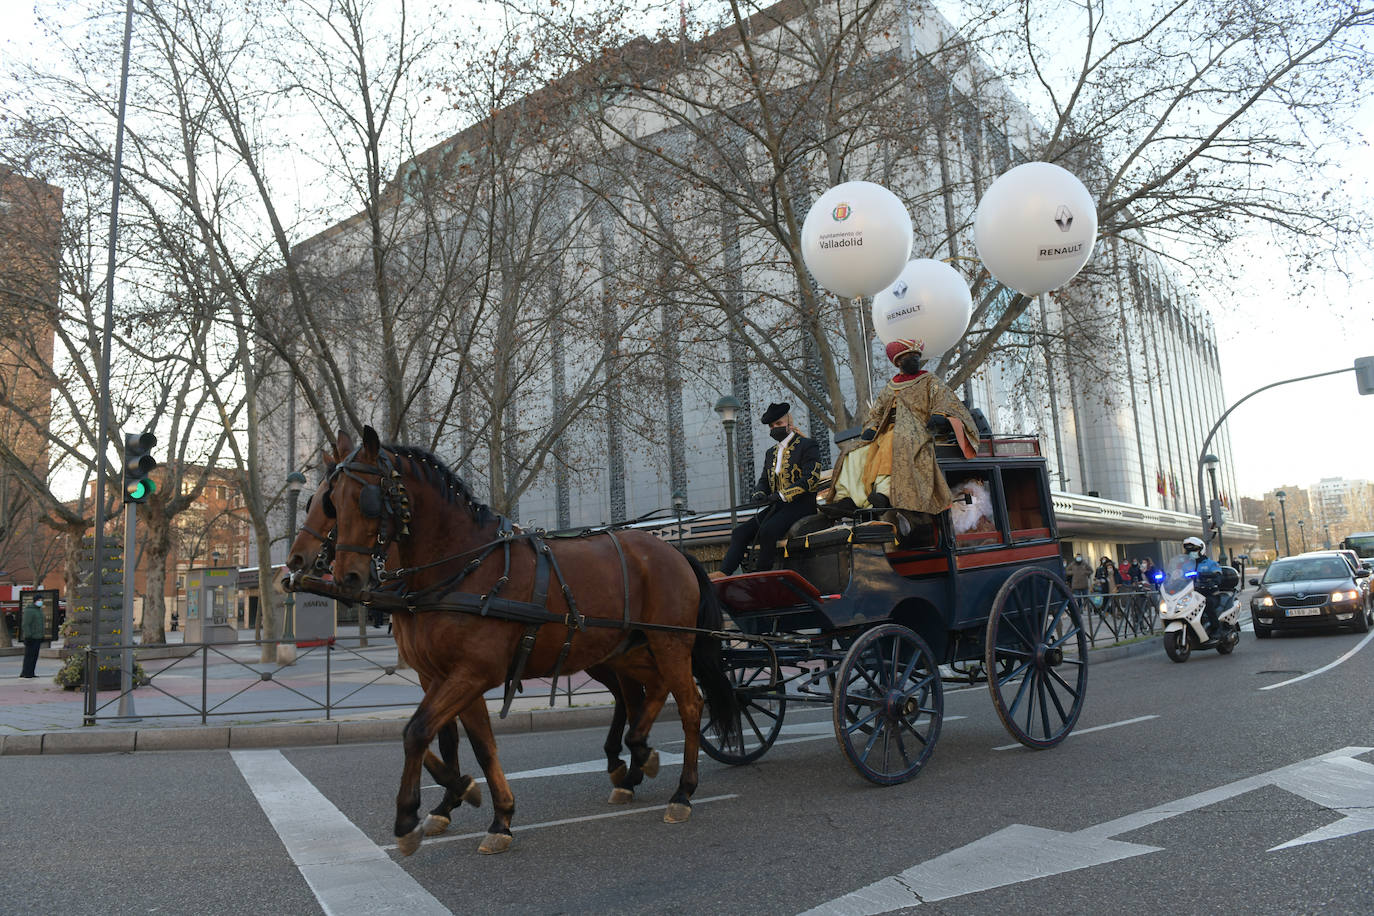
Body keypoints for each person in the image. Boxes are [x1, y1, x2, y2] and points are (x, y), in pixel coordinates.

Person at [719, 402, 824, 576]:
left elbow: (811, 479)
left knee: (768, 530)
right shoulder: (771, 453)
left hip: (802, 505)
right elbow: (764, 480)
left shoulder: (808, 445)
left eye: (779, 424)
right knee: (739, 532)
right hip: (779, 507)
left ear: (789, 423)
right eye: (772, 426)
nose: (775, 428)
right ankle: (723, 574)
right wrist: (760, 492)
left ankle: (762, 575)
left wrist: (783, 495)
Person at [1180, 536, 1223, 632]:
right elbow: (1179, 576)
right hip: (1192, 595)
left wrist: (1207, 576)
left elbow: (1218, 576)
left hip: (1210, 594)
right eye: (1189, 551)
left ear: (1201, 550)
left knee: (1207, 603)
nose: (1191, 553)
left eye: (1194, 550)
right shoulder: (1185, 565)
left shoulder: (1210, 564)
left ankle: (1216, 629)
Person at [20, 598, 44, 679]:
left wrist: (42, 635)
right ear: (35, 600)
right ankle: (26, 672)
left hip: (38, 636)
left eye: (42, 600)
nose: (41, 601)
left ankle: (31, 672)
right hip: (31, 637)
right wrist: (28, 635)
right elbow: (26, 624)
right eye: (39, 600)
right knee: (29, 655)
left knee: (34, 656)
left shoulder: (39, 610)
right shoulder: (29, 610)